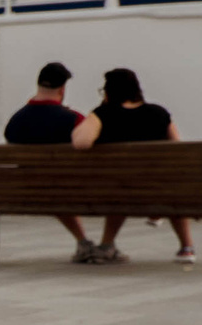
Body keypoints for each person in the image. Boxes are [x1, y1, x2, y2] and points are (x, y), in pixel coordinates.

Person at [71, 67, 193, 266]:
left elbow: (81, 143)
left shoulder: (103, 114)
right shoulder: (159, 113)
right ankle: (187, 247)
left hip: (119, 190)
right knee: (171, 185)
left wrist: (98, 114)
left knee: (120, 183)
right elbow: (177, 150)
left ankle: (107, 244)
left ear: (108, 91)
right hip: (159, 190)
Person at [4, 63, 94, 262]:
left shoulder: (15, 122)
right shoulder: (74, 119)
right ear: (62, 89)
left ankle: (83, 241)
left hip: (28, 188)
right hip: (69, 188)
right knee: (59, 185)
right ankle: (100, 243)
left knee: (51, 185)